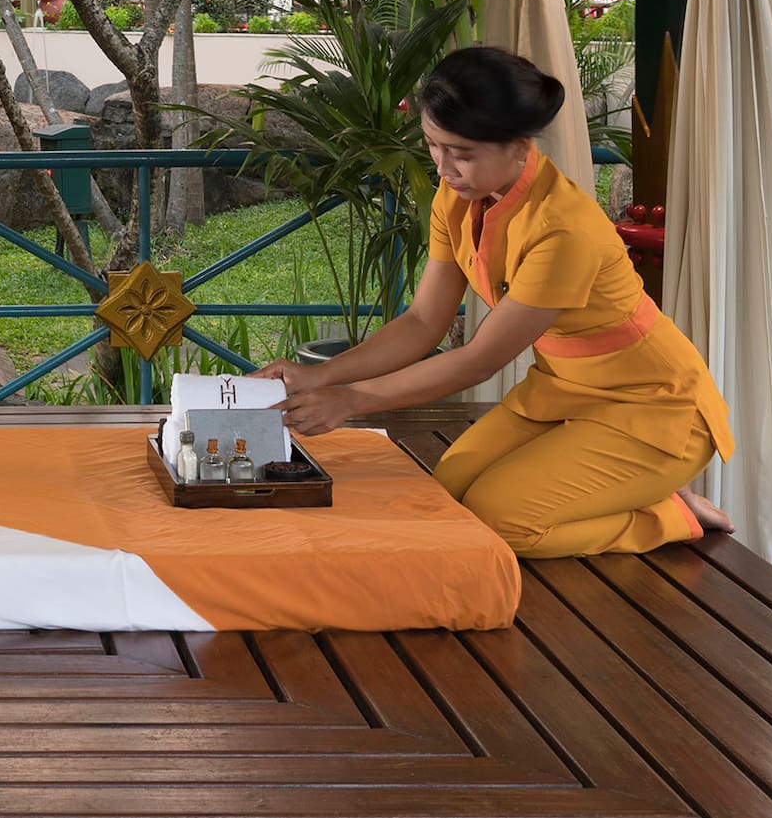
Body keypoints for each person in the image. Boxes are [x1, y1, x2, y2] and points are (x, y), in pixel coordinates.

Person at [262, 45, 733, 558]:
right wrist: (319, 377)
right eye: (432, 145)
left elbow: (479, 361)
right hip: (562, 393)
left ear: (519, 146)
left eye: (462, 153)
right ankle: (628, 487)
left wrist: (352, 400)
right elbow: (423, 321)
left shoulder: (563, 228)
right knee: (449, 494)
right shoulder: (458, 198)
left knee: (500, 521)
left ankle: (670, 513)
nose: (443, 167)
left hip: (653, 407)